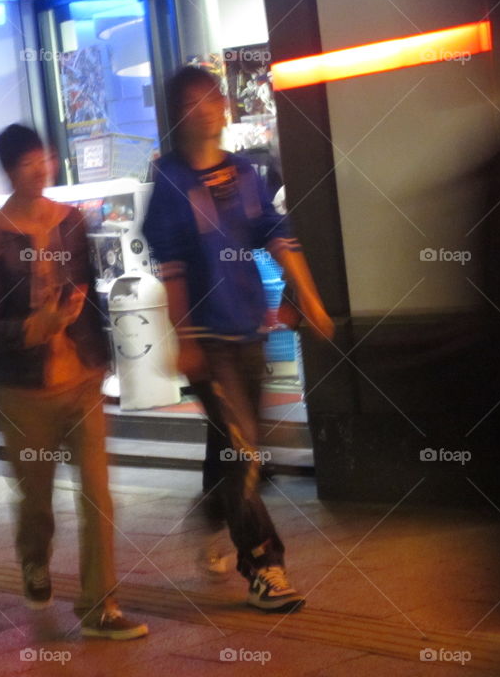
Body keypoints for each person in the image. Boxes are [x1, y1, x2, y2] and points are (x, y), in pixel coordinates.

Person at [142, 66, 334, 613]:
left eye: (214, 97)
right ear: (181, 114)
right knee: (246, 451)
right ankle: (265, 565)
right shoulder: (171, 184)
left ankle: (210, 515)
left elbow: (277, 236)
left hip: (250, 331)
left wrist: (309, 301)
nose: (209, 107)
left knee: (234, 449)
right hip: (208, 339)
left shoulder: (245, 173)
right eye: (195, 100)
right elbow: (173, 267)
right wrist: (185, 339)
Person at [0, 124, 148, 641]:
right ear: (8, 171)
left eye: (43, 157)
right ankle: (34, 557)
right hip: (24, 392)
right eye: (27, 161)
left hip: (81, 380)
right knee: (37, 501)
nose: (40, 167)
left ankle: (100, 606)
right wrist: (35, 327)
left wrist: (106, 354)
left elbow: (91, 294)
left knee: (98, 495)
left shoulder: (71, 223)